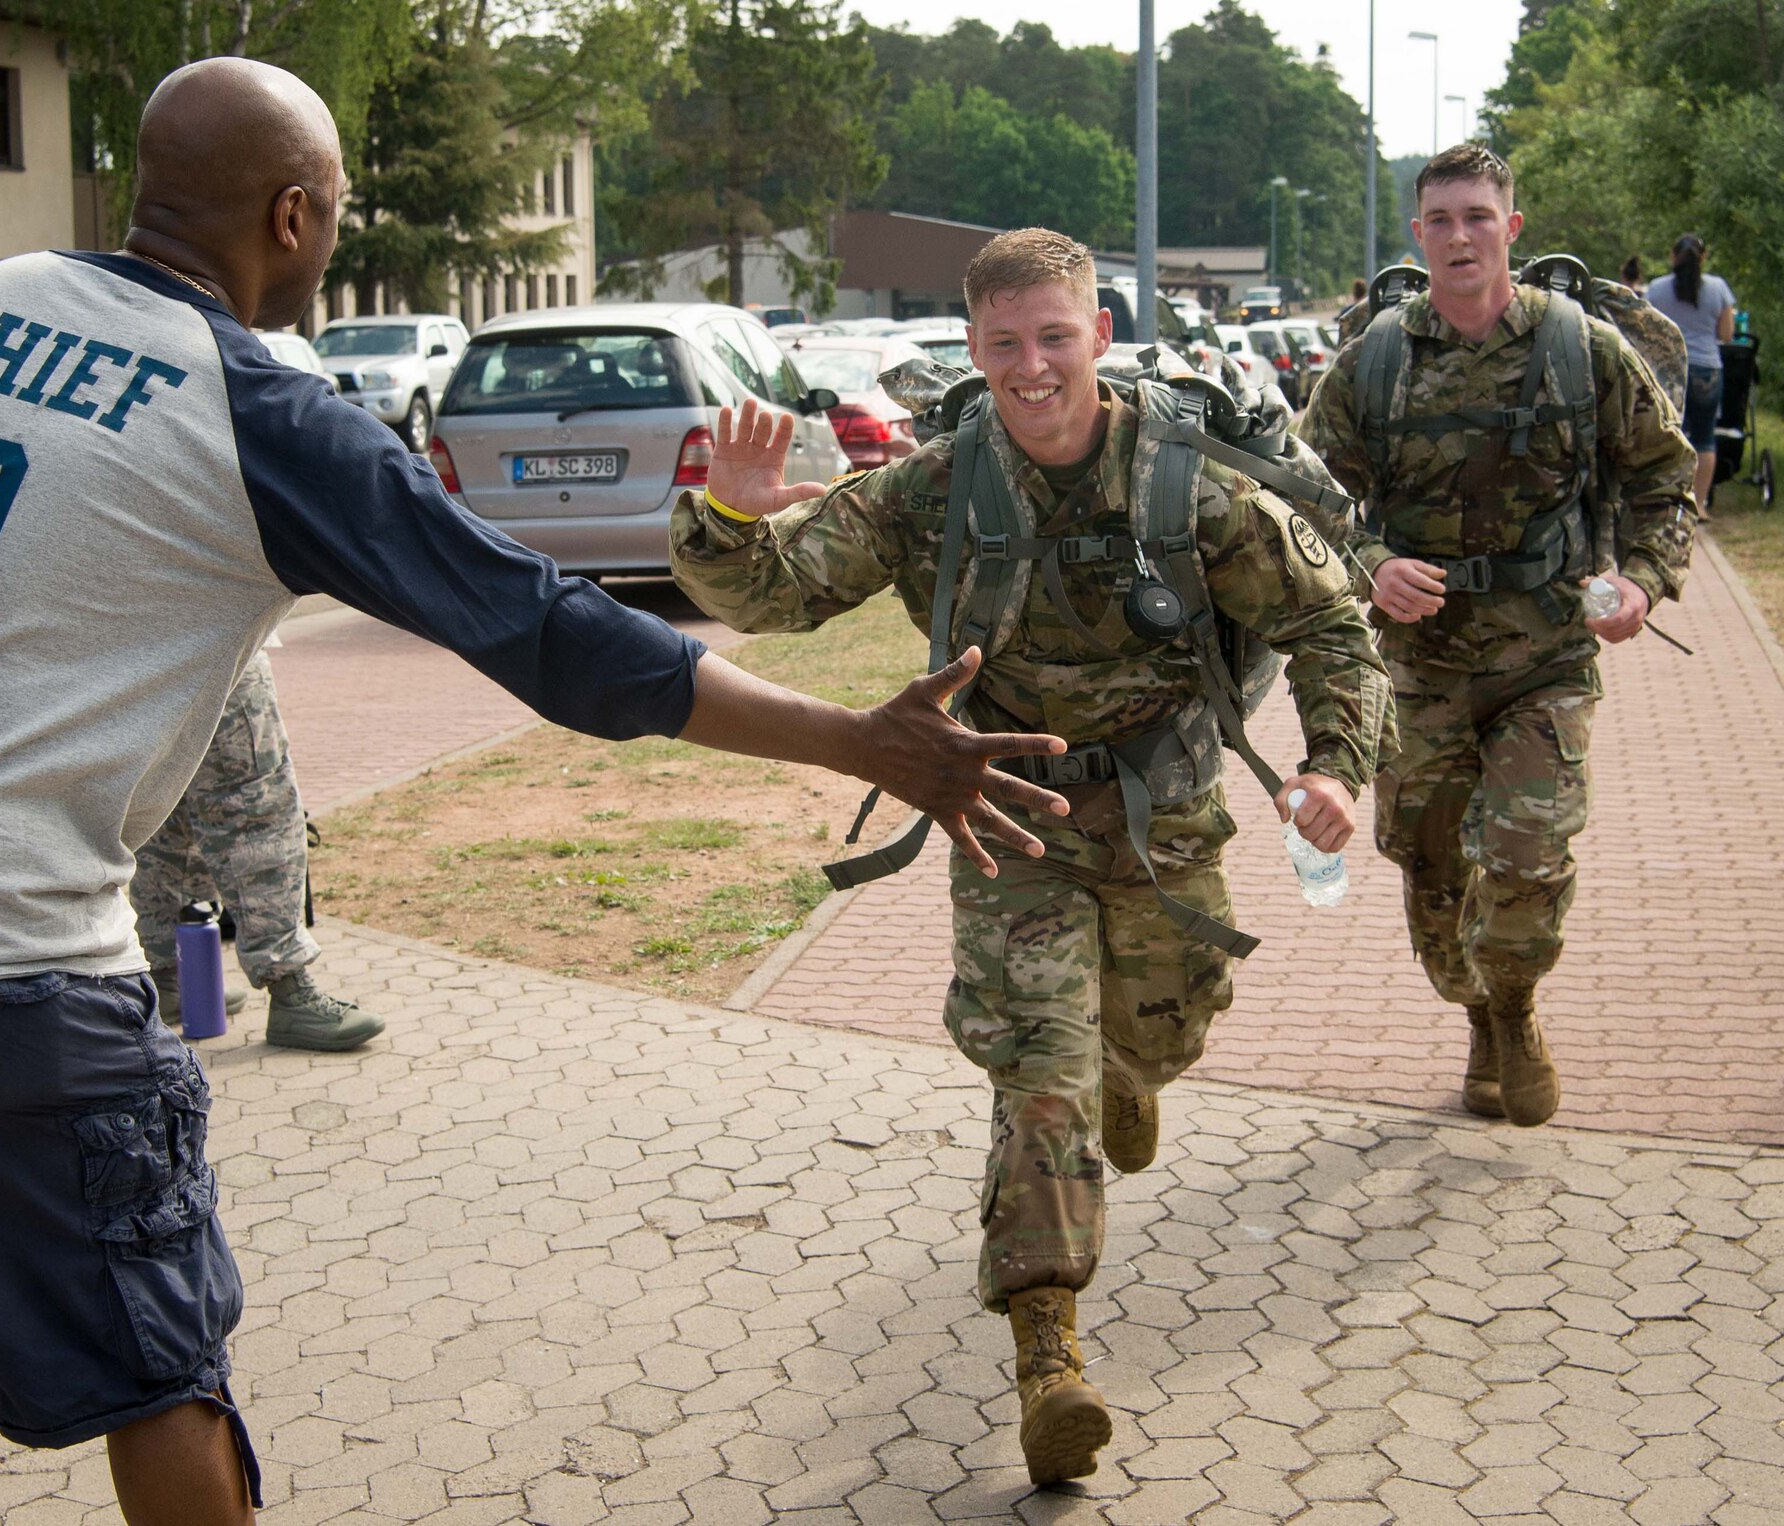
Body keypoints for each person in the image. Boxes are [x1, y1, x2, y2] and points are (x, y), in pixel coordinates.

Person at [0, 59, 1074, 1526]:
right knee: (160, 1372)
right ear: (290, 214)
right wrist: (857, 739)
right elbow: (545, 630)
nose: (328, 246)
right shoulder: (257, 408)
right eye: (330, 219)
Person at [670, 228, 1393, 1488]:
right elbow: (773, 594)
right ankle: (1048, 1354)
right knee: (1036, 1078)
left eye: (1053, 336)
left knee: (1161, 1031)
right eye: (1003, 344)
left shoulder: (1188, 487)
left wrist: (1334, 762)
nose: (1031, 366)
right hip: (1007, 819)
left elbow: (1330, 618)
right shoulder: (933, 486)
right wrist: (727, 511)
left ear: (1097, 335)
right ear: (972, 349)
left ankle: (1136, 1065)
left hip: (1163, 818)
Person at [1298, 144, 1694, 1131]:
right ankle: (1474, 1004)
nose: (1459, 234)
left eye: (1477, 215)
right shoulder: (1375, 361)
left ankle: (1512, 1009)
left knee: (1524, 852)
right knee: (1432, 872)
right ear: (1418, 234)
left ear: (1507, 227)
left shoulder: (1575, 349)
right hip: (1417, 671)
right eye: (1440, 219)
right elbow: (1301, 506)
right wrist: (1370, 565)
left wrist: (1639, 583)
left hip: (1544, 660)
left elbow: (1661, 478)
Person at [129, 648, 385, 1051]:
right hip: (214, 637)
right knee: (255, 802)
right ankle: (290, 991)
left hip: (136, 654)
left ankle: (170, 977)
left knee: (166, 805)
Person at [1647, 233, 1736, 518]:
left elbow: (1647, 332)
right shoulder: (1718, 288)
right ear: (1704, 257)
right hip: (1707, 369)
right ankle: (1699, 505)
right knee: (1705, 437)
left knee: (1669, 436)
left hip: (1667, 369)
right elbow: (1726, 334)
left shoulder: (1656, 289)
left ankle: (1668, 502)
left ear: (1673, 257)